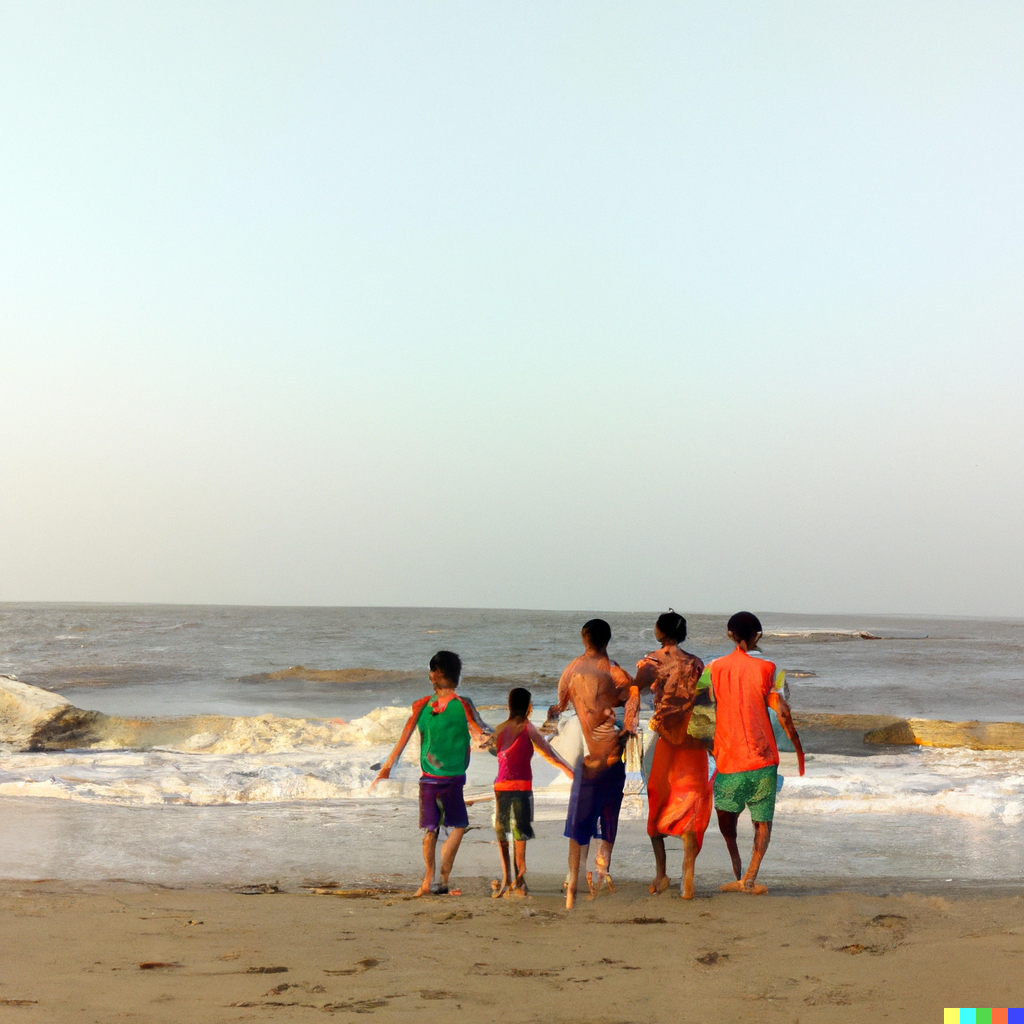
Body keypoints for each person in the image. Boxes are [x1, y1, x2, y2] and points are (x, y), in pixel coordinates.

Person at [371, 650, 491, 896]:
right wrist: (507, 743)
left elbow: (403, 740)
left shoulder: (421, 706)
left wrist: (386, 769)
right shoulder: (463, 704)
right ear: (454, 675)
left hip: (427, 780)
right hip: (453, 779)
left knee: (430, 831)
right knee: (459, 825)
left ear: (435, 674)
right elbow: (483, 733)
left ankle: (427, 880)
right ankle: (443, 880)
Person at [709, 612, 805, 895]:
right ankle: (749, 877)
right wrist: (798, 750)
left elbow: (698, 706)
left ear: (729, 634)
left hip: (728, 760)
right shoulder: (767, 668)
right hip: (762, 758)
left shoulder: (713, 669)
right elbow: (783, 712)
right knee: (762, 820)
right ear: (757, 636)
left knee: (726, 818)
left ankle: (735, 862)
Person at [546, 618, 639, 910]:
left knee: (581, 820)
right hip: (612, 755)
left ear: (583, 638)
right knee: (609, 814)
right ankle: (602, 869)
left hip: (587, 759)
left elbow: (558, 706)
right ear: (607, 640)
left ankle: (574, 874)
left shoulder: (571, 670)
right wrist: (629, 727)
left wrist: (552, 724)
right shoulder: (613, 671)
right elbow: (631, 695)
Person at [633, 610, 712, 900]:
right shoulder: (696, 663)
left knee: (658, 796)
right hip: (692, 740)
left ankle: (661, 873)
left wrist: (628, 723)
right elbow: (704, 705)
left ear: (660, 630)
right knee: (690, 803)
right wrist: (710, 742)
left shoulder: (651, 661)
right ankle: (687, 876)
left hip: (666, 738)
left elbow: (634, 691)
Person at [488, 687, 575, 898]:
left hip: (501, 787)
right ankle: (520, 878)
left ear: (509, 706)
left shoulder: (500, 728)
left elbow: (493, 749)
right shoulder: (528, 728)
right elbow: (548, 753)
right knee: (520, 833)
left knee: (503, 832)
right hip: (522, 787)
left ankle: (507, 876)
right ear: (528, 707)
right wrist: (570, 771)